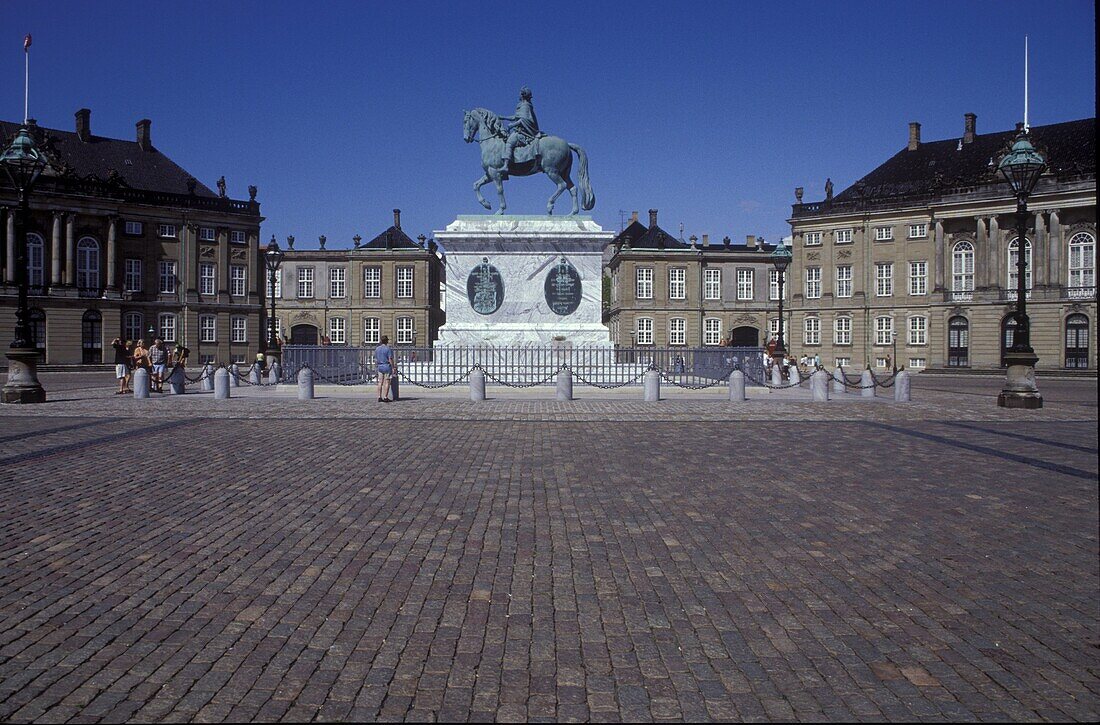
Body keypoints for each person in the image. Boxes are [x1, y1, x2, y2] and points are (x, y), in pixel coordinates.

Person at [500, 86, 540, 174]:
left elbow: (524, 120)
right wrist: (503, 117)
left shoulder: (525, 105)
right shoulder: (522, 105)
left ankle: (506, 165)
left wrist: (512, 125)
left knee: (509, 142)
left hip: (524, 132)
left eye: (520, 94)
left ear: (523, 95)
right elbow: (515, 117)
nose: (519, 95)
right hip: (520, 130)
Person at [375, 335, 395, 403]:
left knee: (380, 382)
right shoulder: (388, 349)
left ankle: (379, 397)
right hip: (386, 366)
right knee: (387, 382)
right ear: (387, 341)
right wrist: (393, 367)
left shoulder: (377, 349)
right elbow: (390, 359)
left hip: (380, 366)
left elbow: (376, 358)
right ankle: (385, 397)